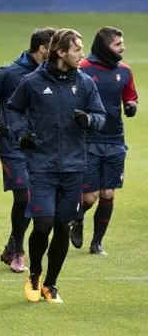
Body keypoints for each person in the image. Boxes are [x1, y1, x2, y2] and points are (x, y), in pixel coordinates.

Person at [7, 28, 106, 303]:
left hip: (74, 167)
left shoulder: (85, 83)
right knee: (43, 224)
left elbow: (101, 115)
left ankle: (51, 284)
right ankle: (35, 274)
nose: (82, 54)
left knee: (63, 226)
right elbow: (13, 110)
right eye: (77, 49)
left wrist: (90, 120)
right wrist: (20, 134)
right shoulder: (33, 82)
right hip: (41, 165)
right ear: (61, 52)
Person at [0, 27, 56, 272]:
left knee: (34, 198)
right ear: (43, 48)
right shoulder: (10, 73)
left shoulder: (54, 75)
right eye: (54, 47)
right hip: (12, 146)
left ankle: (12, 245)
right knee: (24, 195)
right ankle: (19, 252)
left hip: (41, 148)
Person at [71, 26, 138, 255]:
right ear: (105, 46)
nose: (123, 48)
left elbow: (131, 96)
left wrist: (131, 106)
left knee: (108, 193)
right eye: (118, 44)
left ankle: (97, 242)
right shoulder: (83, 69)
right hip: (88, 139)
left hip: (115, 139)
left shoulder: (125, 71)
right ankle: (77, 219)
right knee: (90, 196)